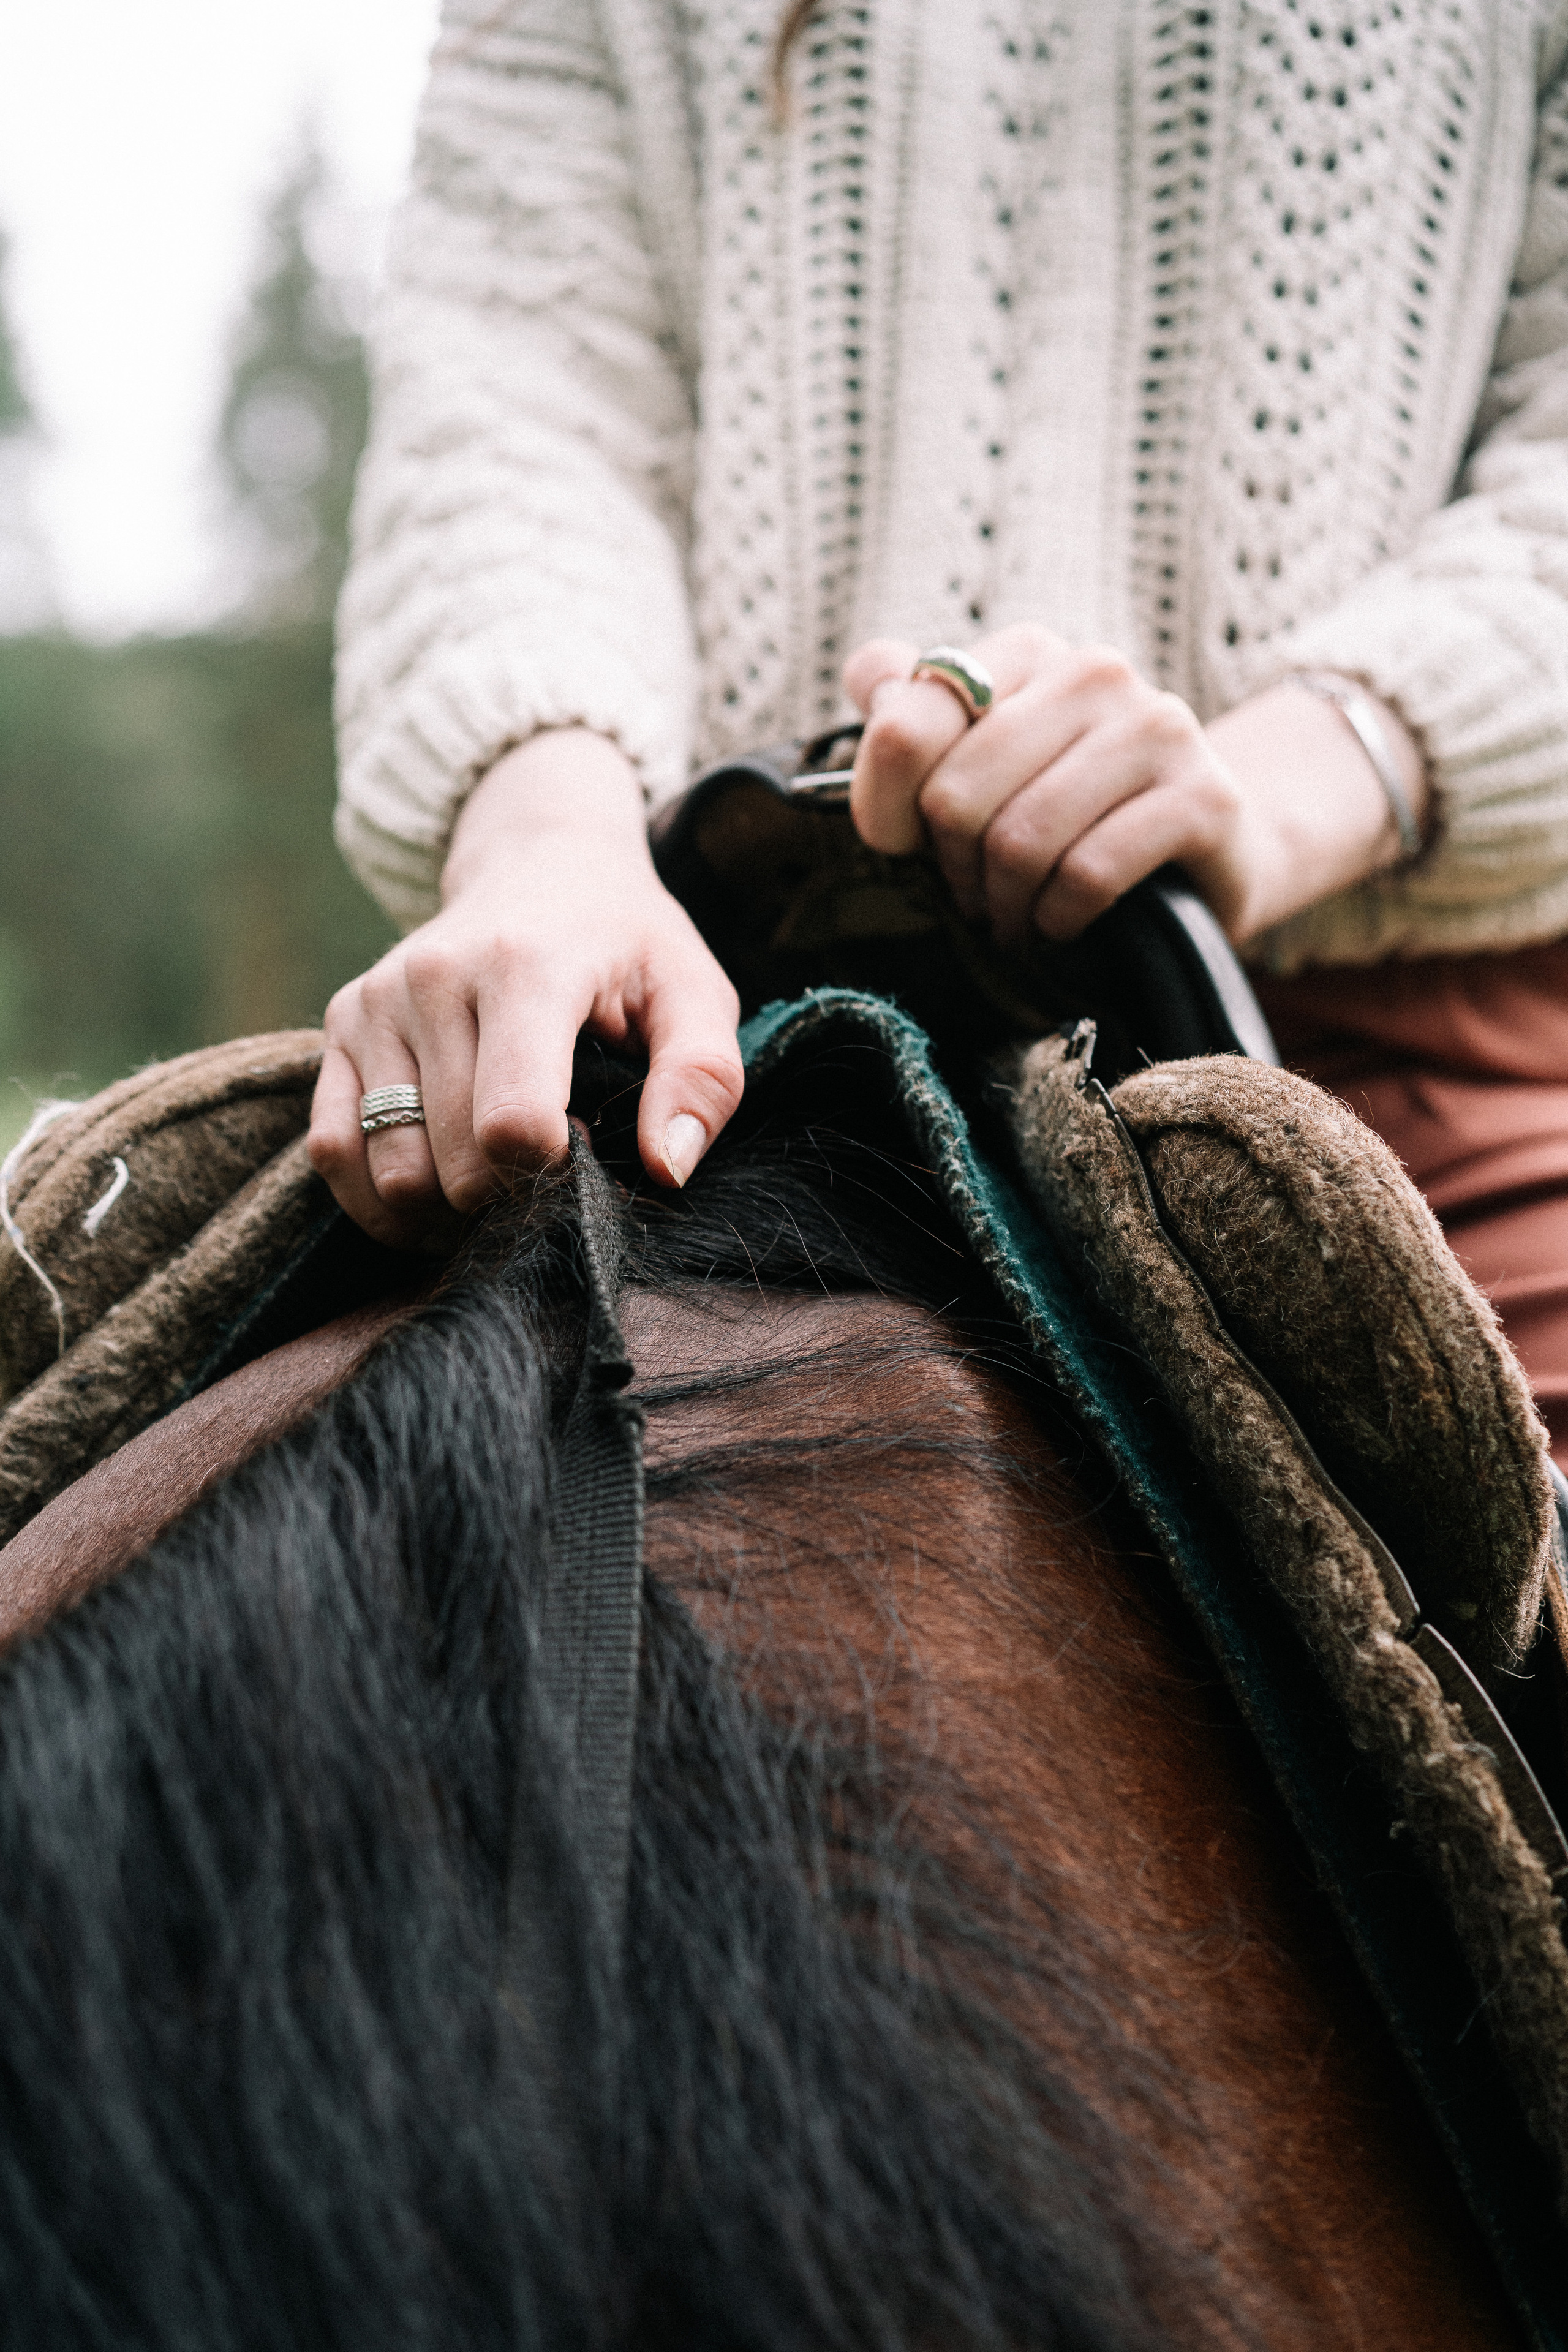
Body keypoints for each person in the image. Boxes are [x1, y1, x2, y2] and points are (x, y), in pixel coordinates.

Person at [310, 2, 1568, 1454]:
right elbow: (517, 411)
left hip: (1385, 1057)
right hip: (698, 1041)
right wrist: (543, 843)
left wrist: (1267, 792)